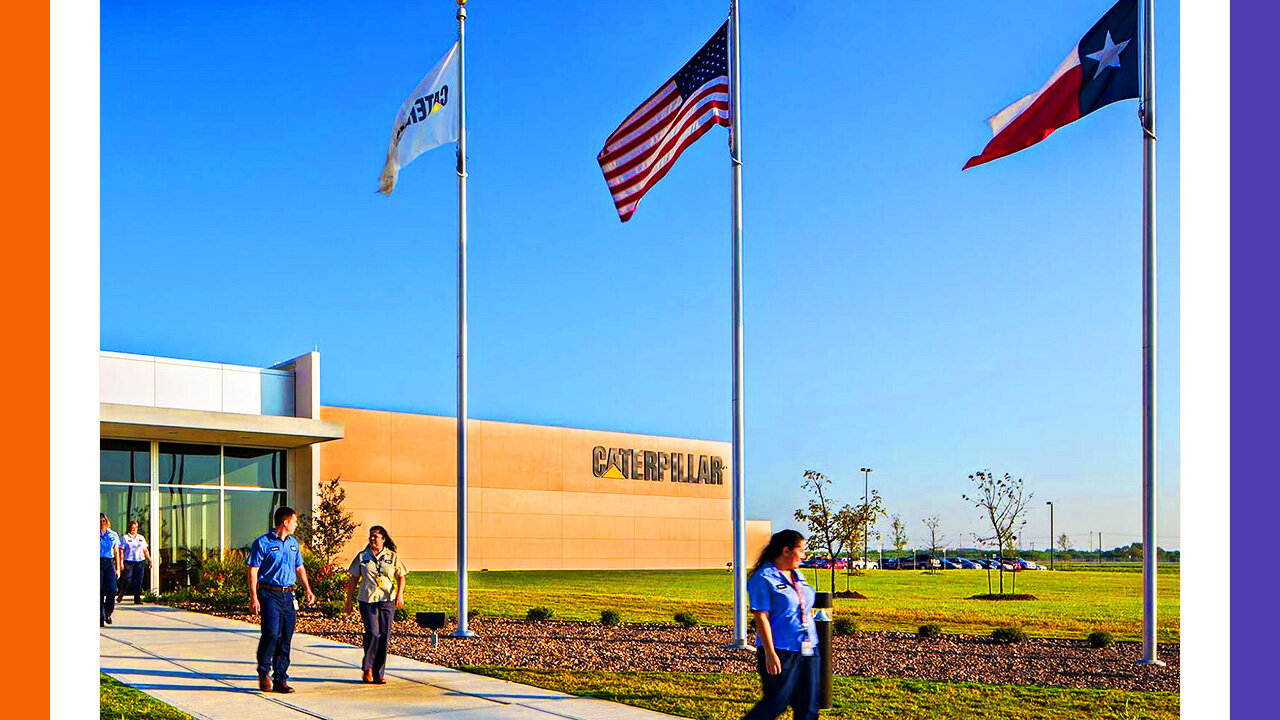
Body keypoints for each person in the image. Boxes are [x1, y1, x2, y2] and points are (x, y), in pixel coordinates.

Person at [742, 529, 819, 720]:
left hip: (808, 648)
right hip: (780, 650)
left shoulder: (797, 575)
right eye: (801, 550)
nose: (804, 555)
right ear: (786, 551)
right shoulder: (763, 578)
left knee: (809, 705)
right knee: (776, 703)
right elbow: (761, 618)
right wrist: (770, 653)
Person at [246, 506, 316, 694]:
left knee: (286, 637)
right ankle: (264, 672)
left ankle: (280, 678)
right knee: (271, 634)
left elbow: (299, 568)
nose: (296, 525)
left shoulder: (293, 543)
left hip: (289, 594)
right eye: (294, 521)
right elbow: (253, 570)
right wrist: (254, 597)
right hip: (269, 593)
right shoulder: (262, 542)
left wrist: (307, 589)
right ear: (285, 522)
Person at [343, 525, 408, 684]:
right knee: (373, 633)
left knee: (384, 635)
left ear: (383, 539)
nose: (372, 539)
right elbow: (353, 579)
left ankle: (379, 672)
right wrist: (348, 601)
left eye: (376, 536)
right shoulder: (362, 556)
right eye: (371, 536)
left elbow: (401, 576)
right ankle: (368, 668)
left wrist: (400, 595)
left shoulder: (392, 556)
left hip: (387, 600)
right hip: (368, 600)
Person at [117, 520, 152, 605]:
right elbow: (122, 551)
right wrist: (121, 562)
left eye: (135, 528)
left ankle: (137, 598)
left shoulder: (141, 538)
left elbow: (145, 550)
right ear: (129, 528)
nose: (134, 529)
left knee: (138, 580)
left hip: (140, 561)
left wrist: (150, 560)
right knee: (127, 579)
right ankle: (122, 593)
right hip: (129, 561)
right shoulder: (125, 538)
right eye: (132, 528)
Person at [99, 513, 122, 627]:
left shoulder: (113, 534)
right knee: (99, 591)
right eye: (99, 521)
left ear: (107, 522)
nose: (102, 523)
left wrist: (118, 568)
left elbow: (116, 551)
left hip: (109, 563)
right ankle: (100, 616)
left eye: (103, 521)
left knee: (112, 589)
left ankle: (108, 611)